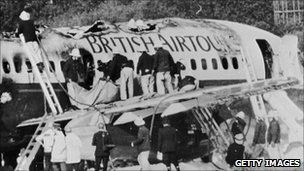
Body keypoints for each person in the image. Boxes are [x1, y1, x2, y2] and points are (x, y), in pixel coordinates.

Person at [17, 8, 44, 72]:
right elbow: (35, 29)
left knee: (33, 53)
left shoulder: (21, 23)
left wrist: (18, 35)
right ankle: (41, 62)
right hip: (34, 39)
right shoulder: (31, 22)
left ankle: (38, 64)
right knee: (38, 51)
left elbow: (19, 32)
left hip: (28, 40)